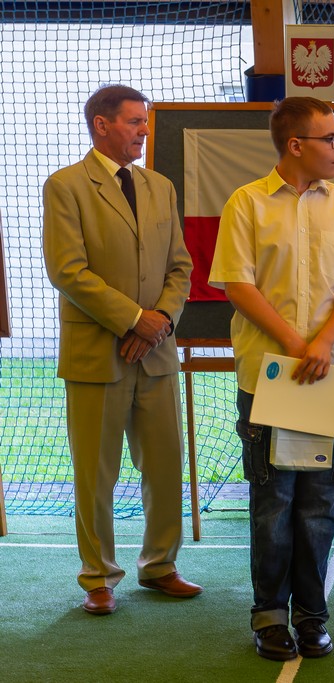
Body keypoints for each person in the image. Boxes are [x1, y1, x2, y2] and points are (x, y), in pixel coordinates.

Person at [209, 97, 334, 660]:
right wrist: (293, 343)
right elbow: (237, 284)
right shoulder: (247, 202)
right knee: (273, 503)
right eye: (331, 137)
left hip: (329, 377)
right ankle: (268, 617)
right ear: (295, 144)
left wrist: (322, 343)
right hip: (268, 378)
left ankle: (311, 615)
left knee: (319, 504)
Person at [42, 84, 200, 616]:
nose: (144, 131)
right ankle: (98, 578)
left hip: (156, 353)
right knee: (96, 474)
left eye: (145, 121)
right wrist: (134, 319)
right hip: (96, 355)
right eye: (135, 122)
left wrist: (159, 323)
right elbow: (67, 270)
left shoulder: (160, 186)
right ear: (102, 125)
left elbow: (180, 266)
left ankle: (159, 566)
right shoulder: (65, 186)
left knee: (165, 467)